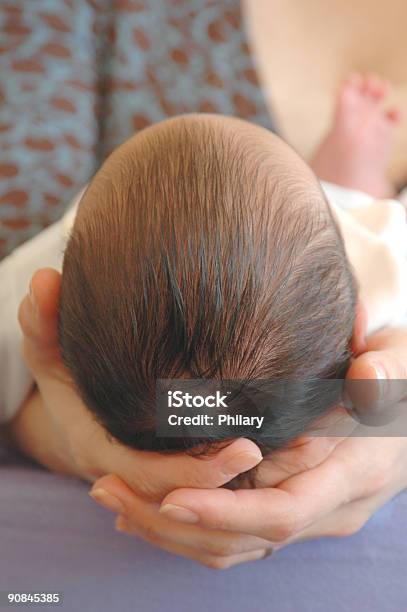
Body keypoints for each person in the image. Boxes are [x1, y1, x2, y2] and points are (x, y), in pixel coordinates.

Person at [2, 73, 407, 568]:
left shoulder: (68, 254)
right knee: (362, 201)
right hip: (353, 237)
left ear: (59, 316)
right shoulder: (385, 256)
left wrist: (31, 423)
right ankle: (342, 178)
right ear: (358, 327)